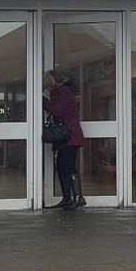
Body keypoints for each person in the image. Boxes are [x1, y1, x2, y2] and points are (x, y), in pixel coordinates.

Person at [43, 69, 86, 210]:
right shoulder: (63, 92)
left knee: (68, 167)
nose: (46, 84)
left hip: (69, 136)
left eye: (47, 81)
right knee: (62, 167)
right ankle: (67, 198)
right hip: (67, 137)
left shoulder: (62, 92)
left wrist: (45, 103)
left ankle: (78, 197)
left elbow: (57, 111)